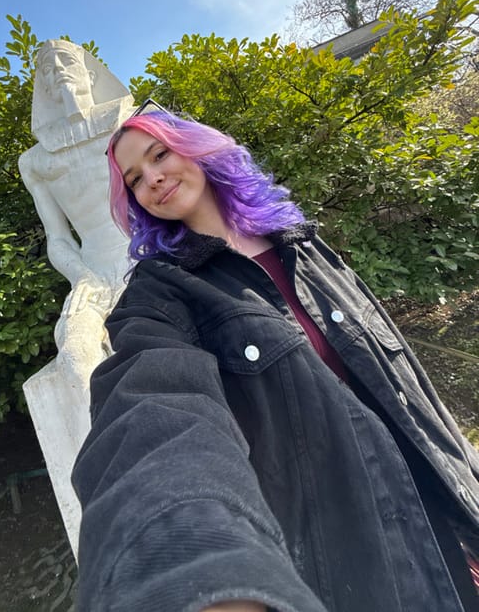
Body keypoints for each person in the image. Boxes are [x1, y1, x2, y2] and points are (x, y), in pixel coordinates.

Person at [71, 106, 479, 612]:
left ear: (196, 148)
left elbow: (403, 381)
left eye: (160, 154)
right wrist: (192, 561)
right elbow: (152, 411)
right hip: (364, 548)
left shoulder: (302, 244)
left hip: (449, 503)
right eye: (134, 179)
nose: (152, 178)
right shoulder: (162, 293)